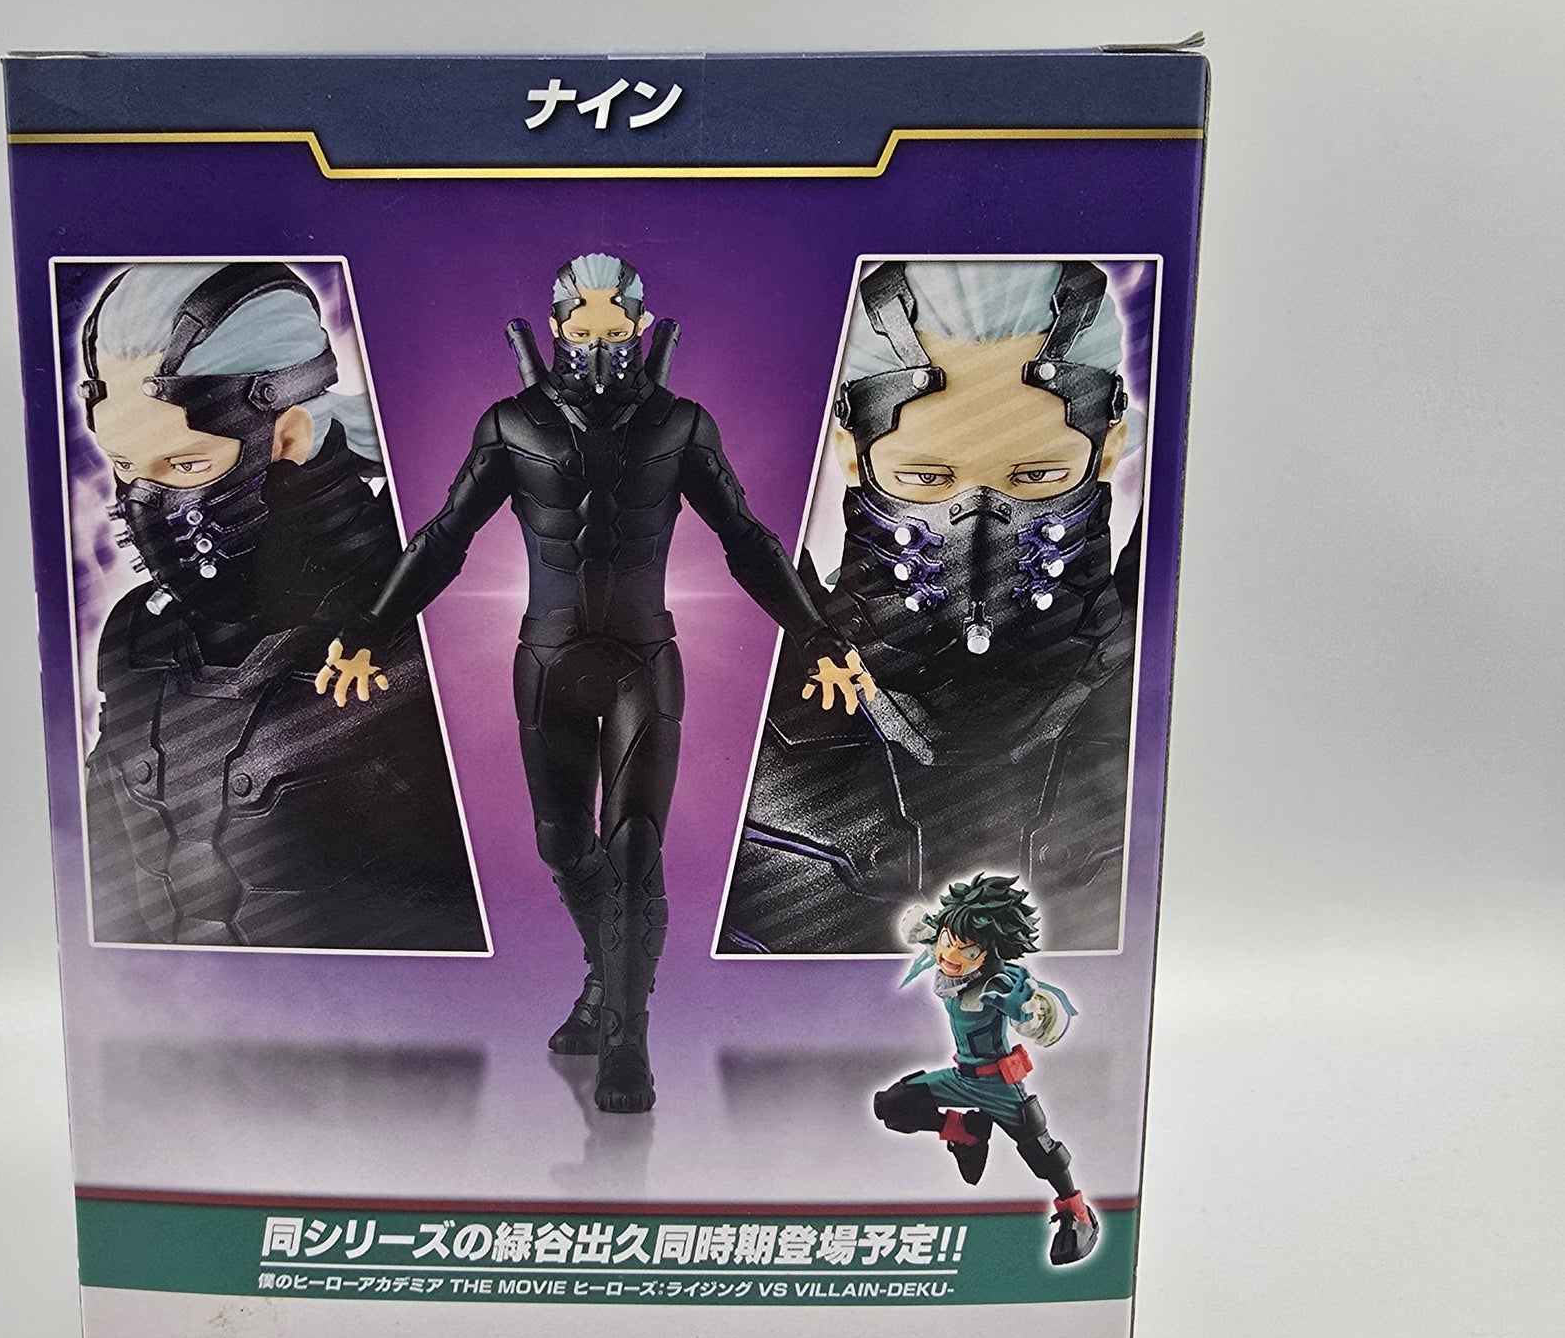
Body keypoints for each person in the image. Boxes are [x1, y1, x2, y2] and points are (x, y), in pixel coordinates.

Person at [313, 253, 872, 1110]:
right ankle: (603, 982)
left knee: (635, 847)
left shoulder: (680, 425)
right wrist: (369, 629)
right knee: (563, 845)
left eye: (616, 328)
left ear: (641, 327)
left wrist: (818, 635)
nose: (600, 343)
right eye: (584, 328)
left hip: (644, 660)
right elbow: (443, 538)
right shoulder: (512, 424)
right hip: (549, 660)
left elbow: (749, 541)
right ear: (556, 326)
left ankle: (626, 1043)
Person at [718, 259, 1139, 957]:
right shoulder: (733, 677)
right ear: (850, 452)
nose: (975, 518)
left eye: (1037, 475)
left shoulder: (1180, 683)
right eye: (924, 476)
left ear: (1109, 447)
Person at [78, 261, 485, 951]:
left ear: (289, 434)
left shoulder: (438, 631)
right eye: (124, 465)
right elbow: (105, 886)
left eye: (186, 464)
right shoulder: (138, 638)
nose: (144, 503)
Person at [872, 874, 1099, 1266]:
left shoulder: (1004, 982)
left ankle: (1078, 1212)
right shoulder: (949, 944)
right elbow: (932, 934)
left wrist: (1029, 1012)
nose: (950, 954)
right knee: (894, 1105)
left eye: (968, 950)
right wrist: (927, 930)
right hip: (961, 1078)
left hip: (998, 1084)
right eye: (948, 941)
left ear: (991, 951)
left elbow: (1040, 1018)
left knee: (1041, 1151)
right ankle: (967, 1132)